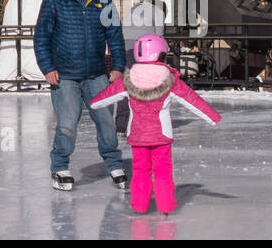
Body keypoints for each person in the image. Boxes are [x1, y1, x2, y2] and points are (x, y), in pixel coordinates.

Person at [91, 34, 221, 214]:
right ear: (161, 55)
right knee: (162, 172)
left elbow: (103, 98)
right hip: (162, 136)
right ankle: (165, 206)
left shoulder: (128, 79)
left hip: (137, 135)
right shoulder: (170, 79)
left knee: (140, 171)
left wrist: (92, 101)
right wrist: (213, 117)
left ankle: (140, 205)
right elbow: (192, 100)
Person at [34, 0, 128, 192]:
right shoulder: (55, 0)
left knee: (106, 121)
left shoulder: (103, 0)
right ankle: (60, 167)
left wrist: (117, 66)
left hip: (96, 74)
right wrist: (47, 67)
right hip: (64, 75)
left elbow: (115, 35)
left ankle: (114, 164)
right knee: (67, 123)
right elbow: (41, 37)